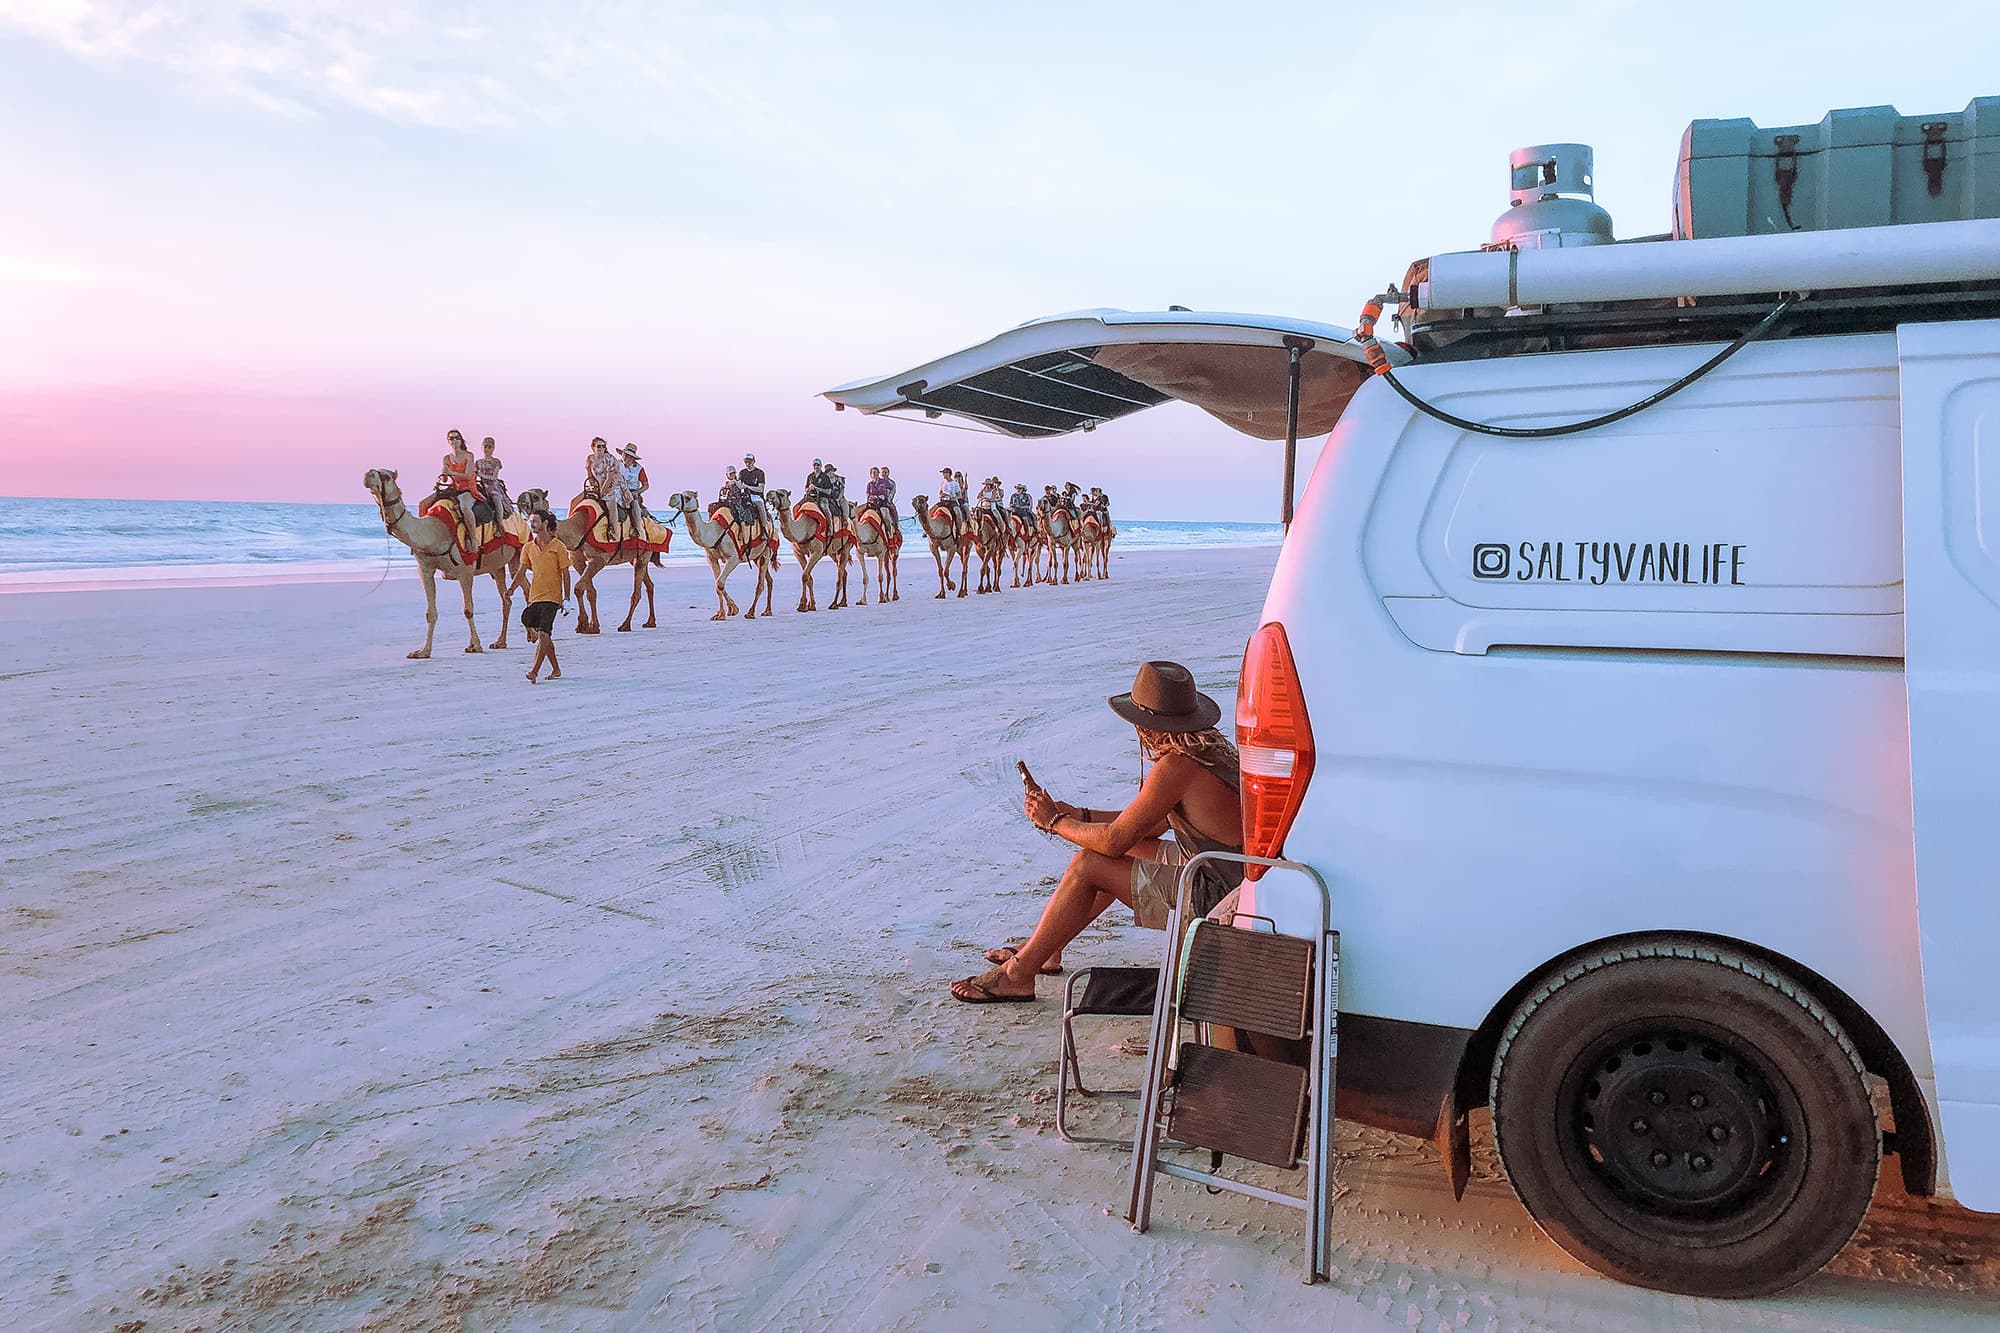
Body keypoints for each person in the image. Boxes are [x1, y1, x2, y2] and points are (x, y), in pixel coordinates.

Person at [951, 661, 1246, 1002]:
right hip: (1233, 875)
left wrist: (1055, 822)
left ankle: (1018, 974)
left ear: (1146, 727)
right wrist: (1080, 815)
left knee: (1088, 865)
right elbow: (1150, 824)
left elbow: (1114, 839)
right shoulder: (1211, 751)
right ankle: (1048, 948)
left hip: (1218, 898)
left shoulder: (1176, 767)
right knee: (1121, 852)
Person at [510, 510, 571, 683]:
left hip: (553, 598)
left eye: (535, 521)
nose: (532, 524)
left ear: (545, 523)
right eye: (530, 521)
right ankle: (556, 669)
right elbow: (521, 572)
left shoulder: (558, 546)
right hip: (535, 596)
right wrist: (511, 589)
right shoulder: (528, 547)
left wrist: (566, 599)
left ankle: (534, 671)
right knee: (543, 634)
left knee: (544, 634)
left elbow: (566, 574)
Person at [440, 429, 480, 533]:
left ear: (461, 440)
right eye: (451, 438)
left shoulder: (469, 455)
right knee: (424, 504)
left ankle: (473, 539)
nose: (454, 440)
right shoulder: (446, 458)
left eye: (457, 438)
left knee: (465, 508)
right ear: (448, 441)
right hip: (453, 489)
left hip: (467, 489)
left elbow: (468, 475)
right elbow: (445, 479)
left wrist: (451, 472)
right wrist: (443, 475)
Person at [585, 437, 622, 538]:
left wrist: (601, 492)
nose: (601, 448)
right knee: (576, 500)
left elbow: (610, 478)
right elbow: (590, 475)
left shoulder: (609, 458)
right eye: (599, 446)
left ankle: (614, 531)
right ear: (593, 447)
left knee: (611, 505)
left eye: (603, 446)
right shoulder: (590, 459)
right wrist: (594, 488)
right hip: (596, 486)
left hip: (611, 486)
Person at [618, 443, 650, 541]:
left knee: (634, 505)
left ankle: (636, 528)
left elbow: (646, 485)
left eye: (628, 455)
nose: (625, 457)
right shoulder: (616, 464)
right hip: (617, 490)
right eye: (624, 454)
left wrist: (637, 492)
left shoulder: (639, 469)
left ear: (633, 458)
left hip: (632, 492)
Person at [475, 437, 513, 519]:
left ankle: (500, 523)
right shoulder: (478, 462)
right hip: (482, 486)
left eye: (489, 447)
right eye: (485, 446)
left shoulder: (496, 462)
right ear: (482, 447)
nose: (487, 449)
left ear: (493, 448)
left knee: (497, 500)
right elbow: (474, 474)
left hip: (493, 487)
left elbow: (494, 477)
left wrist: (481, 475)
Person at [738, 452, 771, 527]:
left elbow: (760, 489)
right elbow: (740, 485)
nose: (748, 464)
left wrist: (747, 486)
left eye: (749, 462)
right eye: (746, 462)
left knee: (760, 504)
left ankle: (764, 528)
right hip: (745, 495)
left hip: (756, 496)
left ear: (754, 462)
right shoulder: (742, 472)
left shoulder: (759, 473)